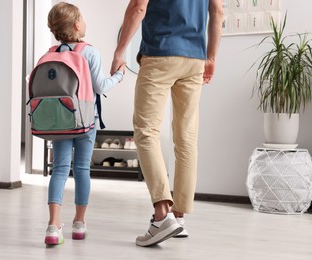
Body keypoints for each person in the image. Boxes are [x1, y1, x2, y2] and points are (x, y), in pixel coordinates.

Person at [110, 0, 223, 247]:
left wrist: (119, 52)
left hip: (160, 53)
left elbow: (138, 7)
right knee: (186, 137)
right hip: (194, 58)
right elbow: (217, 11)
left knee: (146, 132)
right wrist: (211, 56)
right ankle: (179, 219)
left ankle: (162, 215)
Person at [45, 2, 125, 245]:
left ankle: (52, 226)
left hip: (59, 122)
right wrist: (119, 75)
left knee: (59, 170)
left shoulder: (51, 53)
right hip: (86, 121)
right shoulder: (89, 52)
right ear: (77, 25)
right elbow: (100, 86)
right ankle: (79, 224)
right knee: (81, 170)